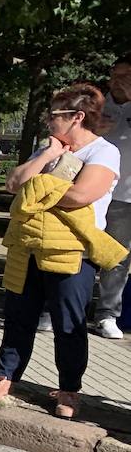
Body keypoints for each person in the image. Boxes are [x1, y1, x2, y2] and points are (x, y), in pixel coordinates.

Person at [0, 83, 123, 418]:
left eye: (54, 115)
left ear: (77, 117)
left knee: (67, 322)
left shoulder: (103, 152)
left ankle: (69, 389)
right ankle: (5, 375)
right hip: (29, 246)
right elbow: (14, 184)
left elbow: (81, 196)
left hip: (72, 252)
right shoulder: (49, 148)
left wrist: (36, 190)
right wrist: (47, 156)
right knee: (18, 317)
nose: (48, 122)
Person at [91, 53, 131, 338]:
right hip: (92, 192)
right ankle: (55, 309)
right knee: (79, 252)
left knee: (117, 258)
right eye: (115, 75)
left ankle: (107, 314)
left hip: (126, 196)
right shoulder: (96, 106)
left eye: (126, 76)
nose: (119, 81)